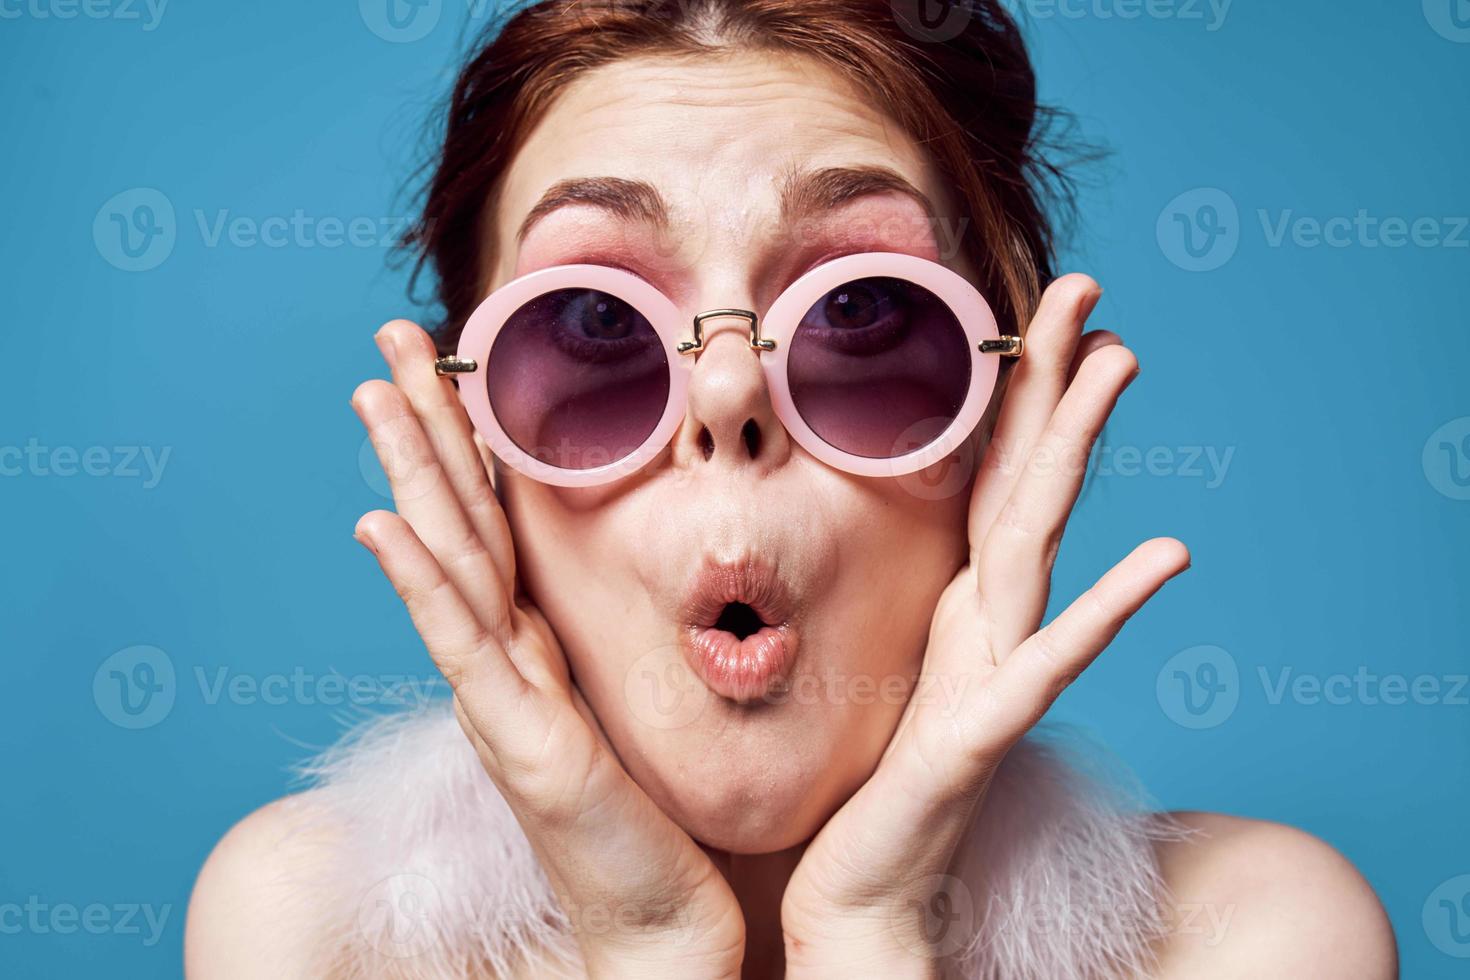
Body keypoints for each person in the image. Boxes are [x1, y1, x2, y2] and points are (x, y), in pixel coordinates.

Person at [185, 2, 1396, 976]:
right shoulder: (308, 931)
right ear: (466, 441)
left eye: (862, 307)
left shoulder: (1254, 938)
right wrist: (651, 948)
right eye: (597, 319)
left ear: (1010, 416)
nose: (725, 394)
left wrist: (870, 935)